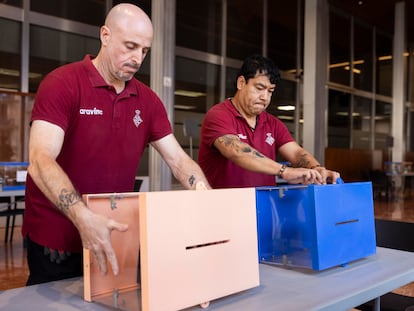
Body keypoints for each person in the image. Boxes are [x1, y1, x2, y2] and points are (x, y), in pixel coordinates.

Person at [23, 3, 210, 286]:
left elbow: (178, 161)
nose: (137, 58)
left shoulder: (147, 102)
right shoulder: (63, 84)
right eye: (130, 46)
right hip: (56, 239)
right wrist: (81, 215)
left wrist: (204, 195)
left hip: (114, 235)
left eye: (144, 51)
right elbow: (40, 159)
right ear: (105, 35)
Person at [198, 54, 340, 189]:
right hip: (224, 207)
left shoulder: (272, 123)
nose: (265, 97)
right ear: (241, 83)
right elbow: (237, 151)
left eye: (270, 91)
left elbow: (296, 153)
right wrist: (285, 171)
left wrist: (317, 169)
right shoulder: (218, 115)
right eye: (259, 88)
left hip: (263, 207)